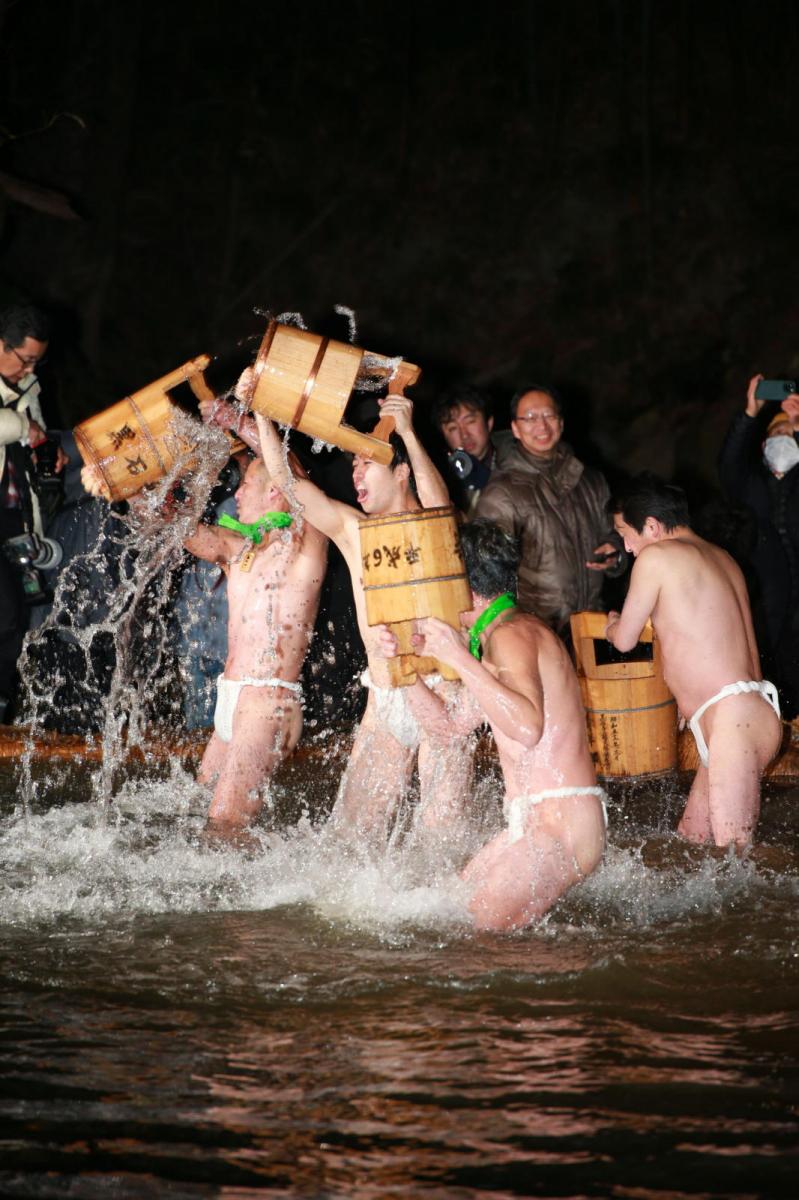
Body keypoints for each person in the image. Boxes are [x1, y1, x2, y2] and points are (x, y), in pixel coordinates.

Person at [217, 383, 474, 844]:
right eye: (353, 465)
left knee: (444, 837)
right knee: (352, 839)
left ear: (400, 474)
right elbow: (292, 486)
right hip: (388, 693)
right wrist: (261, 414)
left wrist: (411, 435)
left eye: (366, 464)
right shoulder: (355, 530)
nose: (356, 475)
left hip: (445, 691)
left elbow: (440, 510)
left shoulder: (435, 527)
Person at [380, 519, 606, 932]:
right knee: (450, 916)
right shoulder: (497, 636)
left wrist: (457, 657)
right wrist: (401, 671)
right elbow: (448, 729)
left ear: (461, 587)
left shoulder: (514, 634)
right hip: (539, 824)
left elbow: (528, 727)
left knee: (470, 942)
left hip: (561, 827)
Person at [605, 473, 782, 849]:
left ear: (651, 526)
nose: (626, 546)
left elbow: (624, 641)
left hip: (733, 720)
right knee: (693, 840)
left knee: (734, 860)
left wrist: (612, 624)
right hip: (743, 713)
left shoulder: (657, 556)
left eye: (625, 533)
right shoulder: (722, 556)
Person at [475, 384, 625, 637]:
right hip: (538, 630)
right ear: (515, 428)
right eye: (530, 418)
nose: (542, 426)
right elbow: (487, 571)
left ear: (561, 422)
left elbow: (615, 533)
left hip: (593, 624)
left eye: (548, 416)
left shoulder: (591, 479)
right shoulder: (502, 492)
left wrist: (615, 553)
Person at [0, 304, 68, 719]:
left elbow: (36, 433)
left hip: (15, 520)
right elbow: (17, 426)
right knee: (4, 613)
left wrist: (49, 452)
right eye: (24, 360)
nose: (29, 370)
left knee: (17, 622)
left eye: (36, 362)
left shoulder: (28, 387)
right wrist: (27, 429)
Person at [718, 375, 799, 718]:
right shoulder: (751, 483)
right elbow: (729, 462)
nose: (784, 439)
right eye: (778, 433)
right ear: (765, 443)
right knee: (769, 668)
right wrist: (751, 413)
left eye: (791, 435)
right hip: (765, 597)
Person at [431, 386, 512, 515]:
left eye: (470, 421)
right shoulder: (440, 478)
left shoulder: (518, 455)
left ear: (489, 423)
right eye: (453, 428)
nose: (464, 435)